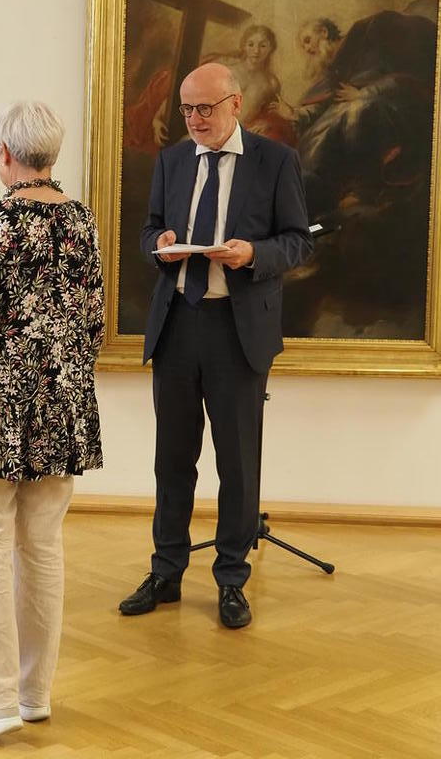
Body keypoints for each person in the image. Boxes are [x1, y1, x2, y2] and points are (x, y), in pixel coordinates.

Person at [118, 63, 313, 628]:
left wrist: (252, 254)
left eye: (205, 108)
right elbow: (149, 229)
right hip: (178, 323)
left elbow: (298, 241)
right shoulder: (173, 160)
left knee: (238, 464)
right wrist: (160, 243)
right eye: (187, 109)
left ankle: (231, 578)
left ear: (236, 103)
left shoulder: (276, 161)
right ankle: (166, 572)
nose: (195, 119)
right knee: (173, 460)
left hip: (237, 329)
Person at [0, 100, 104, 738]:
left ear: (5, 154)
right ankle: (33, 694)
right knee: (43, 548)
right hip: (62, 410)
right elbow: (92, 324)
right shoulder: (81, 222)